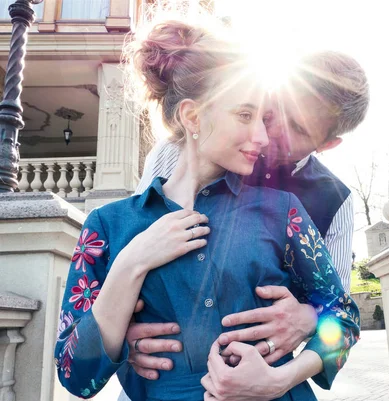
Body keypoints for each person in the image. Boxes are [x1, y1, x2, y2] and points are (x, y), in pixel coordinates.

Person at [54, 17, 360, 401]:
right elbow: (74, 375)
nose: (264, 137)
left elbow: (343, 318)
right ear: (193, 116)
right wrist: (131, 264)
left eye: (263, 118)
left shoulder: (286, 211)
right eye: (246, 116)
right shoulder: (110, 224)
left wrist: (284, 369)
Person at [120, 48, 370, 399]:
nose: (270, 130)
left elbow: (341, 314)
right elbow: (132, 250)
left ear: (328, 144)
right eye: (276, 108)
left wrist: (309, 320)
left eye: (297, 127)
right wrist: (120, 335)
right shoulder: (175, 152)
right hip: (163, 379)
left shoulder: (336, 201)